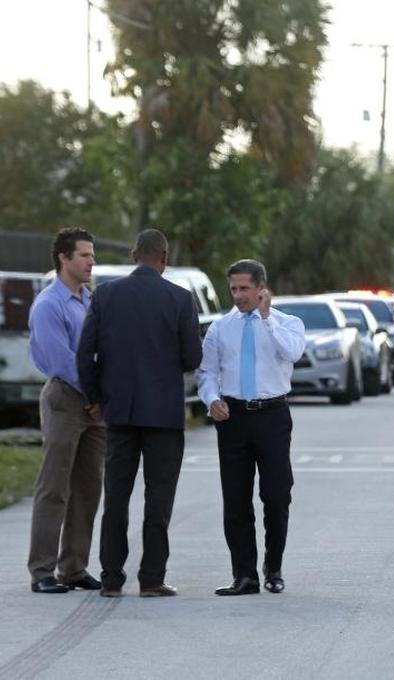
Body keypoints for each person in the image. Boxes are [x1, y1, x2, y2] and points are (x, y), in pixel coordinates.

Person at [77, 229, 202, 598]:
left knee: (115, 497)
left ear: (134, 255)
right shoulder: (180, 298)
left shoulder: (106, 295)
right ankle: (151, 579)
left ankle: (111, 579)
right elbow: (193, 358)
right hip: (164, 413)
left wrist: (96, 397)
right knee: (158, 499)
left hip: (119, 413)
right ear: (163, 258)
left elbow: (85, 354)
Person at [198, 260, 306, 596]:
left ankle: (273, 568)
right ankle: (244, 575)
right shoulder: (220, 328)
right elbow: (206, 373)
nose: (239, 295)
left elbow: (293, 352)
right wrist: (211, 399)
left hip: (272, 416)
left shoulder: (287, 323)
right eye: (233, 289)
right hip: (233, 418)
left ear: (261, 288)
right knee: (236, 499)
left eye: (245, 288)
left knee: (276, 496)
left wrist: (266, 319)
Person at [25, 228, 105, 594]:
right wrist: (93, 394)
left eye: (91, 255)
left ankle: (73, 568)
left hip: (94, 403)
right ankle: (41, 571)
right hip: (65, 399)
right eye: (85, 255)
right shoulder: (48, 305)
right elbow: (62, 361)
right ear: (64, 258)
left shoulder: (89, 300)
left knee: (88, 488)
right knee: (54, 487)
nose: (91, 262)